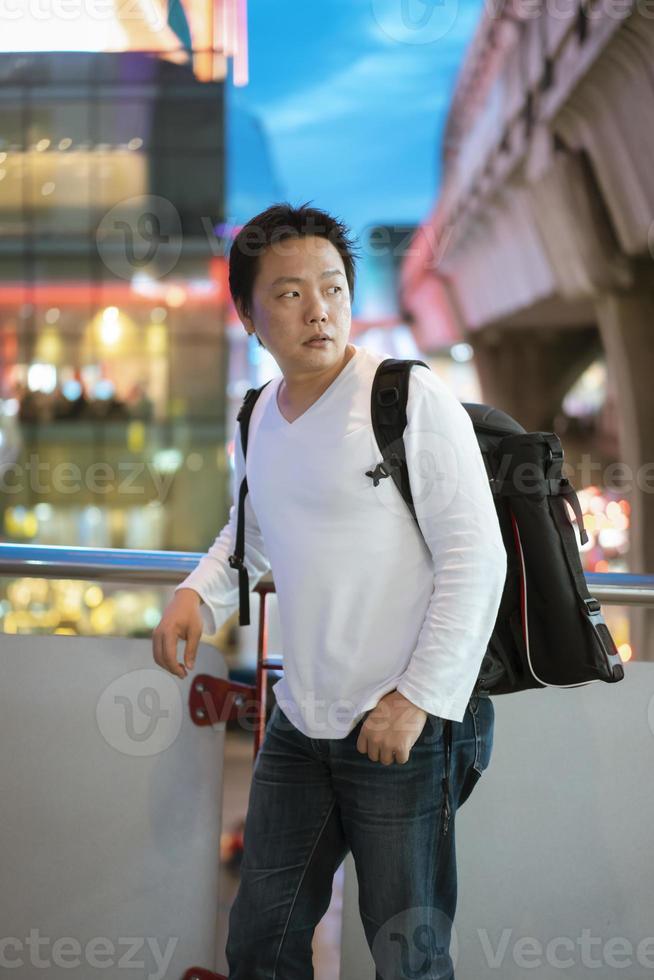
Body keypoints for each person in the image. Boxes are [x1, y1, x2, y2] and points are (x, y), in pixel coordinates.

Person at [152, 203, 507, 980]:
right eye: (287, 293)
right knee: (260, 943)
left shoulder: (405, 398)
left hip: (403, 729)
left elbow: (476, 558)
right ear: (248, 315)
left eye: (333, 286)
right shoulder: (259, 416)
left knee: (404, 958)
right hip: (301, 720)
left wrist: (415, 700)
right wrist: (196, 594)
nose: (318, 309)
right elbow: (250, 534)